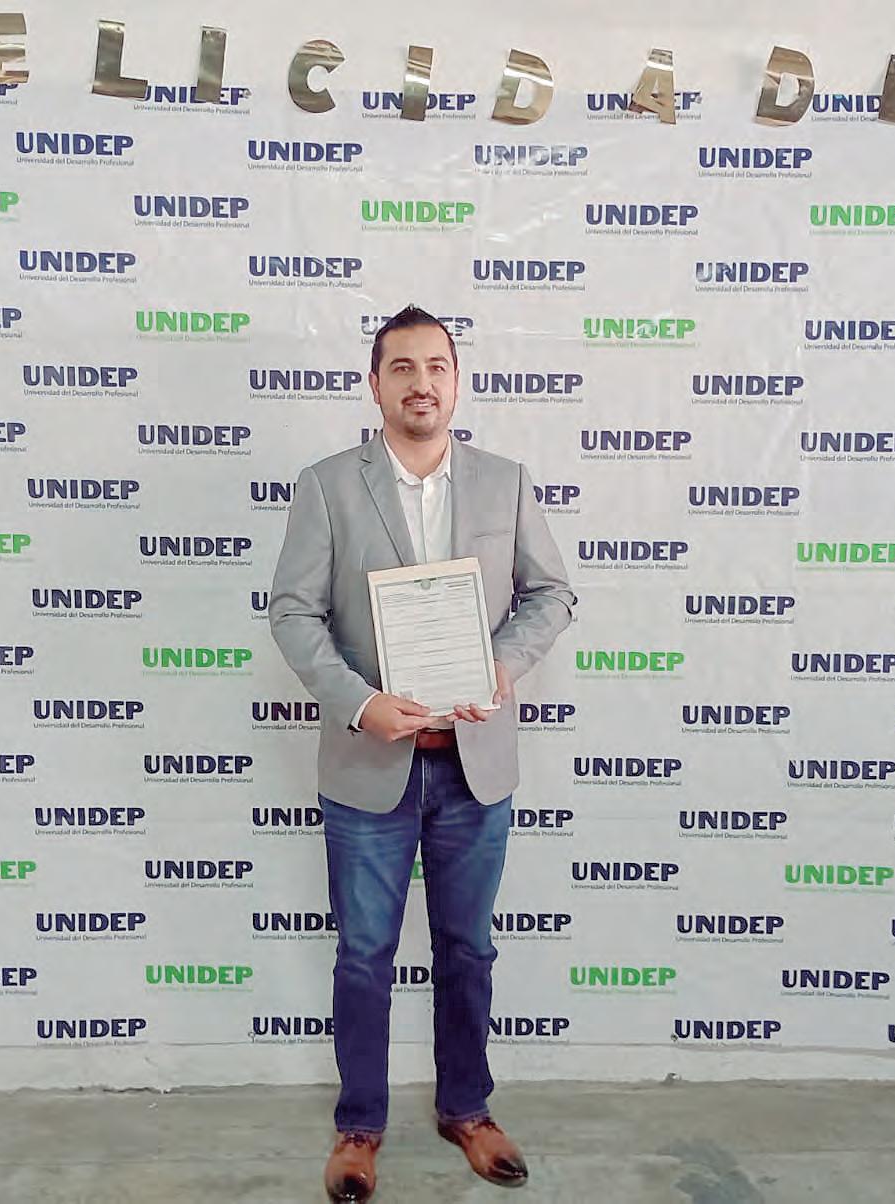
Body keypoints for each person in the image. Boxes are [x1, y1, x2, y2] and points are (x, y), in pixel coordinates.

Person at [268, 305, 576, 1202]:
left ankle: (467, 1109)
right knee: (364, 953)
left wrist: (499, 664)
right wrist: (361, 703)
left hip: (474, 765)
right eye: (401, 367)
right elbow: (293, 612)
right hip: (371, 764)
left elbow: (552, 594)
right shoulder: (328, 486)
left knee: (468, 949)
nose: (421, 383)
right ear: (375, 385)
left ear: (457, 381)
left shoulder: (505, 483)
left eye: (437, 366)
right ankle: (359, 1126)